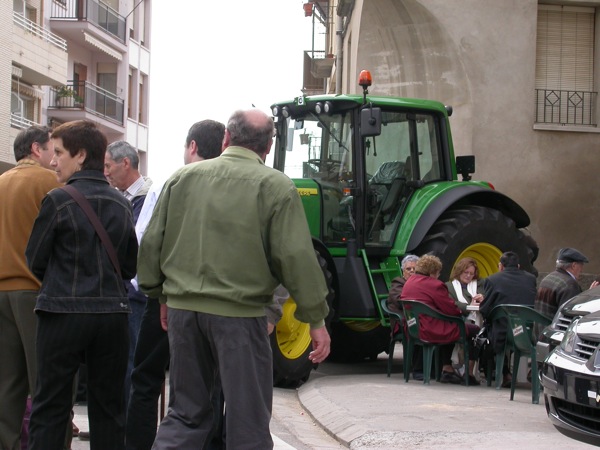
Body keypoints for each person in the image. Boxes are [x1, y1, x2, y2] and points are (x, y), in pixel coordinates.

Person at [137, 109, 331, 449]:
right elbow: (296, 258)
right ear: (269, 147)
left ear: (226, 138)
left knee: (184, 415)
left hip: (184, 311)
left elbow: (153, 243)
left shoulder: (181, 179)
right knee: (247, 423)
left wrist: (161, 295)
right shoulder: (276, 186)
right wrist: (315, 318)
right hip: (241, 318)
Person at [25, 120, 138, 450]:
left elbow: (35, 259)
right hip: (111, 316)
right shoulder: (121, 203)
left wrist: (61, 282)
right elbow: (129, 266)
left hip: (62, 312)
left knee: (51, 407)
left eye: (59, 152)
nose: (54, 160)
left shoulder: (57, 200)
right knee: (109, 409)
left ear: (81, 155)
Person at [125, 119, 225, 450]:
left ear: (192, 146)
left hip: (167, 297)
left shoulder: (168, 183)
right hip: (218, 299)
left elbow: (144, 241)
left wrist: (153, 291)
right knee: (207, 383)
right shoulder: (233, 185)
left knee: (146, 378)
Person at [0, 126, 62, 450]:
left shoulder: (1, 182)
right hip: (35, 292)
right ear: (37, 149)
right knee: (47, 384)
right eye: (53, 149)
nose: (55, 158)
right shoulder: (48, 182)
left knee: (8, 386)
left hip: (1, 292)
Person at [104, 140, 153, 407]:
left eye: (108, 165)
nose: (106, 172)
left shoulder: (147, 197)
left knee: (132, 360)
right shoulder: (122, 197)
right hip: (122, 292)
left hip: (136, 293)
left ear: (125, 163)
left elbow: (133, 243)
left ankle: (126, 426)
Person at [401, 255, 480, 385]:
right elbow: (450, 309)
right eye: (438, 272)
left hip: (413, 327)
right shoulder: (434, 284)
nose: (438, 275)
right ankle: (467, 374)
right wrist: (460, 311)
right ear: (432, 272)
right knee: (473, 330)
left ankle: (448, 369)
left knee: (450, 325)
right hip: (429, 329)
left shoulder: (409, 282)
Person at [480, 251, 537, 387]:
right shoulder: (531, 279)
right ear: (518, 266)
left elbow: (485, 310)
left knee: (488, 329)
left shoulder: (493, 279)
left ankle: (502, 372)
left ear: (501, 266)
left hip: (504, 333)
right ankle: (506, 373)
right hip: (527, 332)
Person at [446, 257, 485, 381]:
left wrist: (482, 300)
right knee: (471, 330)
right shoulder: (449, 286)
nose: (468, 276)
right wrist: (470, 306)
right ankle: (464, 370)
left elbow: (487, 302)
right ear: (459, 271)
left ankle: (469, 371)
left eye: (471, 274)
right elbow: (452, 304)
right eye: (465, 272)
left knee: (476, 331)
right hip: (458, 319)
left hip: (478, 319)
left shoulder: (480, 284)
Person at [534, 248, 597, 320]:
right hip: (555, 329)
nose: (582, 270)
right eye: (581, 265)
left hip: (541, 329)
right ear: (574, 265)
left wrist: (587, 294)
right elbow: (572, 314)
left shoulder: (547, 278)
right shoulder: (570, 285)